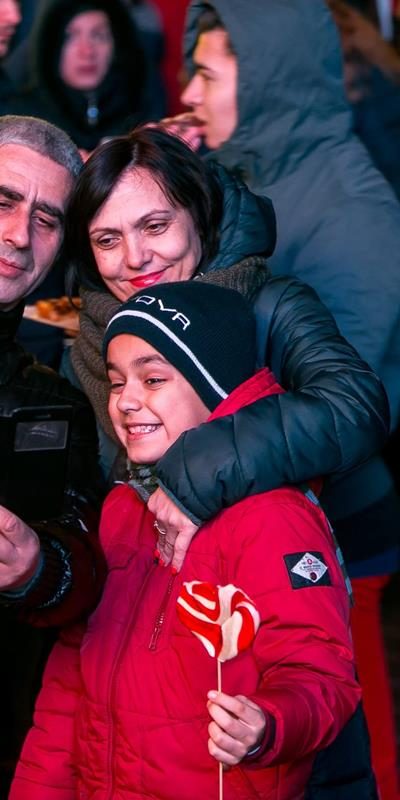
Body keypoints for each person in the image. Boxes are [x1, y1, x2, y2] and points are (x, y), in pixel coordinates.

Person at [161, 3, 400, 798]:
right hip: (255, 508)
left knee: (352, 735)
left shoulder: (353, 207)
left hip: (339, 525)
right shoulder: (255, 175)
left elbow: (343, 404)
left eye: (207, 74)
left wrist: (195, 467)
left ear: (270, 81)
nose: (189, 92)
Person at [10, 280, 361, 800]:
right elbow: (69, 684)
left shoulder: (272, 517)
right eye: (116, 382)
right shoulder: (122, 509)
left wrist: (269, 723)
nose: (127, 401)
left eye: (153, 379)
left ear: (215, 388)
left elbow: (319, 671)